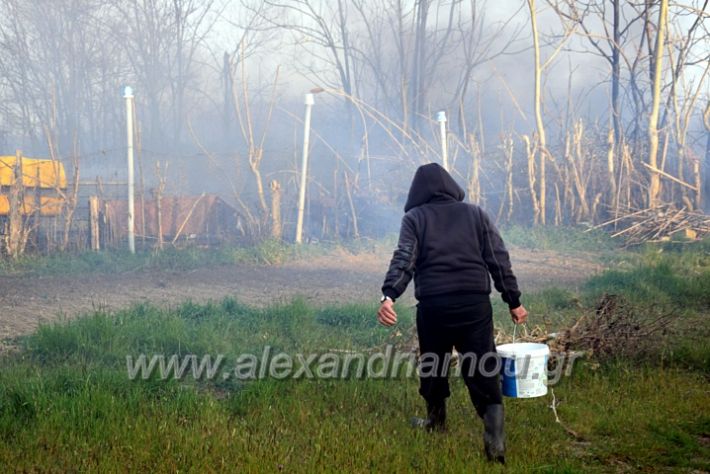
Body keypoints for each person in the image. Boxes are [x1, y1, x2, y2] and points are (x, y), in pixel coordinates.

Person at [377, 163, 527, 465]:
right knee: (483, 368)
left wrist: (389, 295)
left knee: (433, 364)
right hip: (474, 305)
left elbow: (404, 258)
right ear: (450, 186)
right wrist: (513, 300)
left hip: (435, 307)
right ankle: (494, 443)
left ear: (417, 191)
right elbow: (498, 259)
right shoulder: (475, 213)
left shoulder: (414, 218)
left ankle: (436, 422)